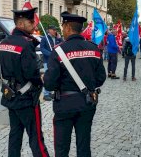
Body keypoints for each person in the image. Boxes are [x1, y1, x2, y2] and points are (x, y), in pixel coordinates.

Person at [0, 8, 50, 157]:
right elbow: (30, 73)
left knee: (15, 135)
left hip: (11, 96)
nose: (34, 25)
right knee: (35, 137)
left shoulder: (3, 42)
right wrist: (39, 79)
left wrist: (8, 79)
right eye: (31, 22)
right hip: (27, 99)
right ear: (21, 24)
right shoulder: (25, 44)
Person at [44, 11, 106, 157]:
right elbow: (101, 78)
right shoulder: (94, 49)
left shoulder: (59, 50)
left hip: (64, 104)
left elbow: (50, 84)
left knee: (62, 148)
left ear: (67, 27)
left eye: (62, 26)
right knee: (84, 146)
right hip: (87, 103)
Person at [40, 25, 62, 101]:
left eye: (55, 30)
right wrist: (50, 54)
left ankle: (49, 92)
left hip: (55, 61)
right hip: (47, 60)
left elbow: (62, 45)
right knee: (47, 77)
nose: (54, 31)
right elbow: (42, 48)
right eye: (53, 30)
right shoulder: (44, 38)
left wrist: (60, 38)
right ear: (49, 30)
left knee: (53, 76)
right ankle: (45, 94)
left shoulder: (57, 38)